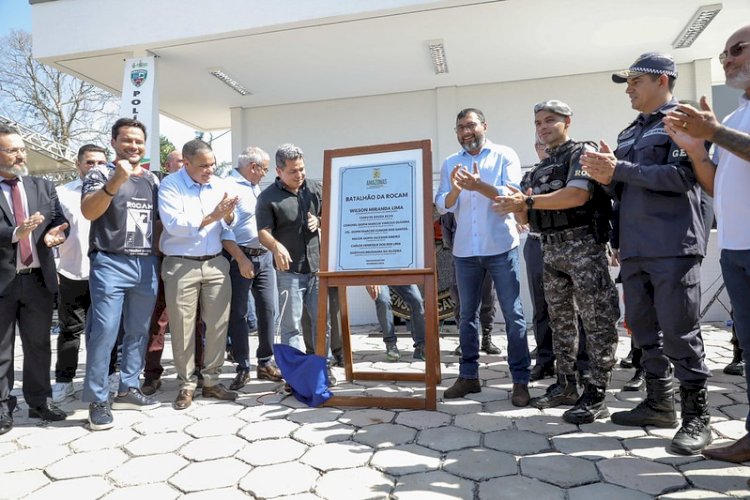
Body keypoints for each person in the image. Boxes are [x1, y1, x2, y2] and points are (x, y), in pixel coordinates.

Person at [580, 53, 711, 455]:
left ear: (662, 80)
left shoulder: (682, 122)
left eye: (635, 81)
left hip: (672, 245)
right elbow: (624, 190)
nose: (629, 89)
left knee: (679, 330)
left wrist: (617, 169)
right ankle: (658, 403)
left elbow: (681, 178)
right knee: (642, 329)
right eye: (627, 83)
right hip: (635, 249)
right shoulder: (627, 133)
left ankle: (696, 416)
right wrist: (605, 178)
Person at [496, 100, 619, 424]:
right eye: (538, 122)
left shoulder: (583, 153)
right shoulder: (537, 170)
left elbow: (577, 195)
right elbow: (525, 216)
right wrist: (516, 204)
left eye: (550, 120)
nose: (543, 127)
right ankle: (566, 384)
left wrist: (527, 200)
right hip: (551, 250)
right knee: (560, 323)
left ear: (567, 121)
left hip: (583, 247)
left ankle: (596, 394)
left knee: (596, 322)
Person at [661, 23, 750, 462]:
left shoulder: (725, 127)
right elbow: (716, 184)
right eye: (724, 54)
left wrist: (712, 134)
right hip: (736, 250)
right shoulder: (732, 119)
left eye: (738, 49)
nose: (728, 58)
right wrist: (697, 151)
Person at [435, 108, 531, 405]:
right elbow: (441, 205)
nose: (467, 131)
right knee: (466, 317)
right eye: (461, 127)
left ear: (484, 126)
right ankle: (469, 377)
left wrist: (478, 186)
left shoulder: (504, 155)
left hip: (501, 247)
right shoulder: (451, 162)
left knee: (513, 315)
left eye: (471, 125)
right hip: (464, 251)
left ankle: (520, 381)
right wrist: (455, 191)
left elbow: (513, 195)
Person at [80, 118, 161, 431]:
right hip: (110, 262)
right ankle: (98, 399)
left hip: (145, 264)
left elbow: (158, 222)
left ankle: (128, 387)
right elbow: (89, 211)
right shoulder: (100, 173)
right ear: (113, 142)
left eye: (138, 141)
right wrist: (114, 182)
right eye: (127, 140)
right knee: (104, 330)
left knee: (139, 330)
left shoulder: (152, 179)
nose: (133, 146)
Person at [158, 139, 239, 410]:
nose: (210, 169)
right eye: (204, 165)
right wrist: (214, 215)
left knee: (217, 325)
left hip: (215, 263)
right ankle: (186, 384)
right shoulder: (171, 185)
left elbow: (230, 224)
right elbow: (174, 225)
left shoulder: (220, 185)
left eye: (213, 164)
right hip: (181, 264)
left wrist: (227, 216)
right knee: (182, 327)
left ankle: (212, 381)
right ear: (187, 162)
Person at [0, 123, 69, 434]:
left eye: (22, 149)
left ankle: (40, 401)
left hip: (38, 279)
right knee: (1, 347)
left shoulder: (42, 186)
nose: (20, 155)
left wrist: (56, 232)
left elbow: (58, 219)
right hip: (4, 281)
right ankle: (3, 406)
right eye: (13, 149)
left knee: (39, 344)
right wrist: (17, 232)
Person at [523, 138, 590, 382]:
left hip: (571, 243)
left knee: (581, 307)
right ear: (535, 148)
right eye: (539, 144)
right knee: (542, 306)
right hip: (536, 242)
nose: (545, 147)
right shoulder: (530, 176)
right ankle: (545, 360)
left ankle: (584, 363)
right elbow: (522, 212)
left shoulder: (570, 167)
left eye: (547, 143)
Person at [141, 148, 206, 396]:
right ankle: (152, 373)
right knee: (159, 318)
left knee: (196, 319)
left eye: (186, 162)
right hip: (161, 259)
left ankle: (197, 369)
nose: (183, 166)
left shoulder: (197, 188)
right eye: (178, 162)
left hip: (192, 260)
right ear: (168, 165)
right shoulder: (159, 187)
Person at [256, 144, 329, 360]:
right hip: (289, 274)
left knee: (321, 323)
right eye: (293, 171)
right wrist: (275, 245)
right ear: (279, 172)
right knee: (292, 328)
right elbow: (263, 232)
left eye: (302, 169)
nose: (299, 175)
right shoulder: (267, 198)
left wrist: (320, 220)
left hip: (317, 270)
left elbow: (333, 216)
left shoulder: (315, 189)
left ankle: (322, 368)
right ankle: (296, 375)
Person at [52, 144, 111, 402]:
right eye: (89, 162)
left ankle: (109, 377)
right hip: (72, 272)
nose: (95, 167)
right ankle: (64, 381)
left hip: (108, 273)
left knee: (107, 330)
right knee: (70, 330)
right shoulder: (61, 194)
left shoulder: (116, 191)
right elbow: (51, 231)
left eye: (100, 162)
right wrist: (54, 267)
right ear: (78, 164)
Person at [222, 146, 283, 390]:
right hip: (241, 257)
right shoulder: (227, 186)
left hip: (265, 257)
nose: (265, 174)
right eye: (264, 169)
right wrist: (240, 258)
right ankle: (243, 366)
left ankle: (265, 362)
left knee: (269, 310)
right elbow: (224, 229)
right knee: (239, 314)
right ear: (253, 167)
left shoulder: (257, 188)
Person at [440, 212, 501, 357]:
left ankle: (487, 337)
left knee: (488, 297)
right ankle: (465, 340)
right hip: (462, 256)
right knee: (461, 300)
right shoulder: (454, 197)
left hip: (487, 252)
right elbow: (446, 228)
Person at [365, 284, 426, 361]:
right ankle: (391, 345)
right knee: (383, 301)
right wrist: (369, 280)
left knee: (417, 300)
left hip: (402, 273)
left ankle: (421, 345)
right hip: (377, 275)